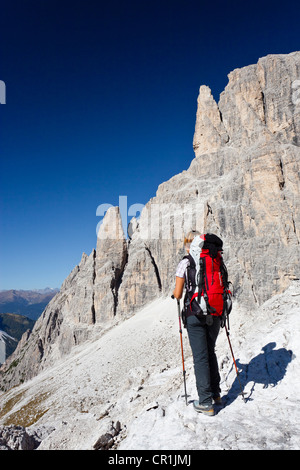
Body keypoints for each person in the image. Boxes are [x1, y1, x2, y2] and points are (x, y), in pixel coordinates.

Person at [173, 230, 225, 416]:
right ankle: (216, 394)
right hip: (216, 312)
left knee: (200, 357)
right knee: (210, 352)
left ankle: (205, 402)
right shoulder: (215, 258)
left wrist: (177, 292)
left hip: (195, 314)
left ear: (188, 244)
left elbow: (178, 294)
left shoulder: (186, 262)